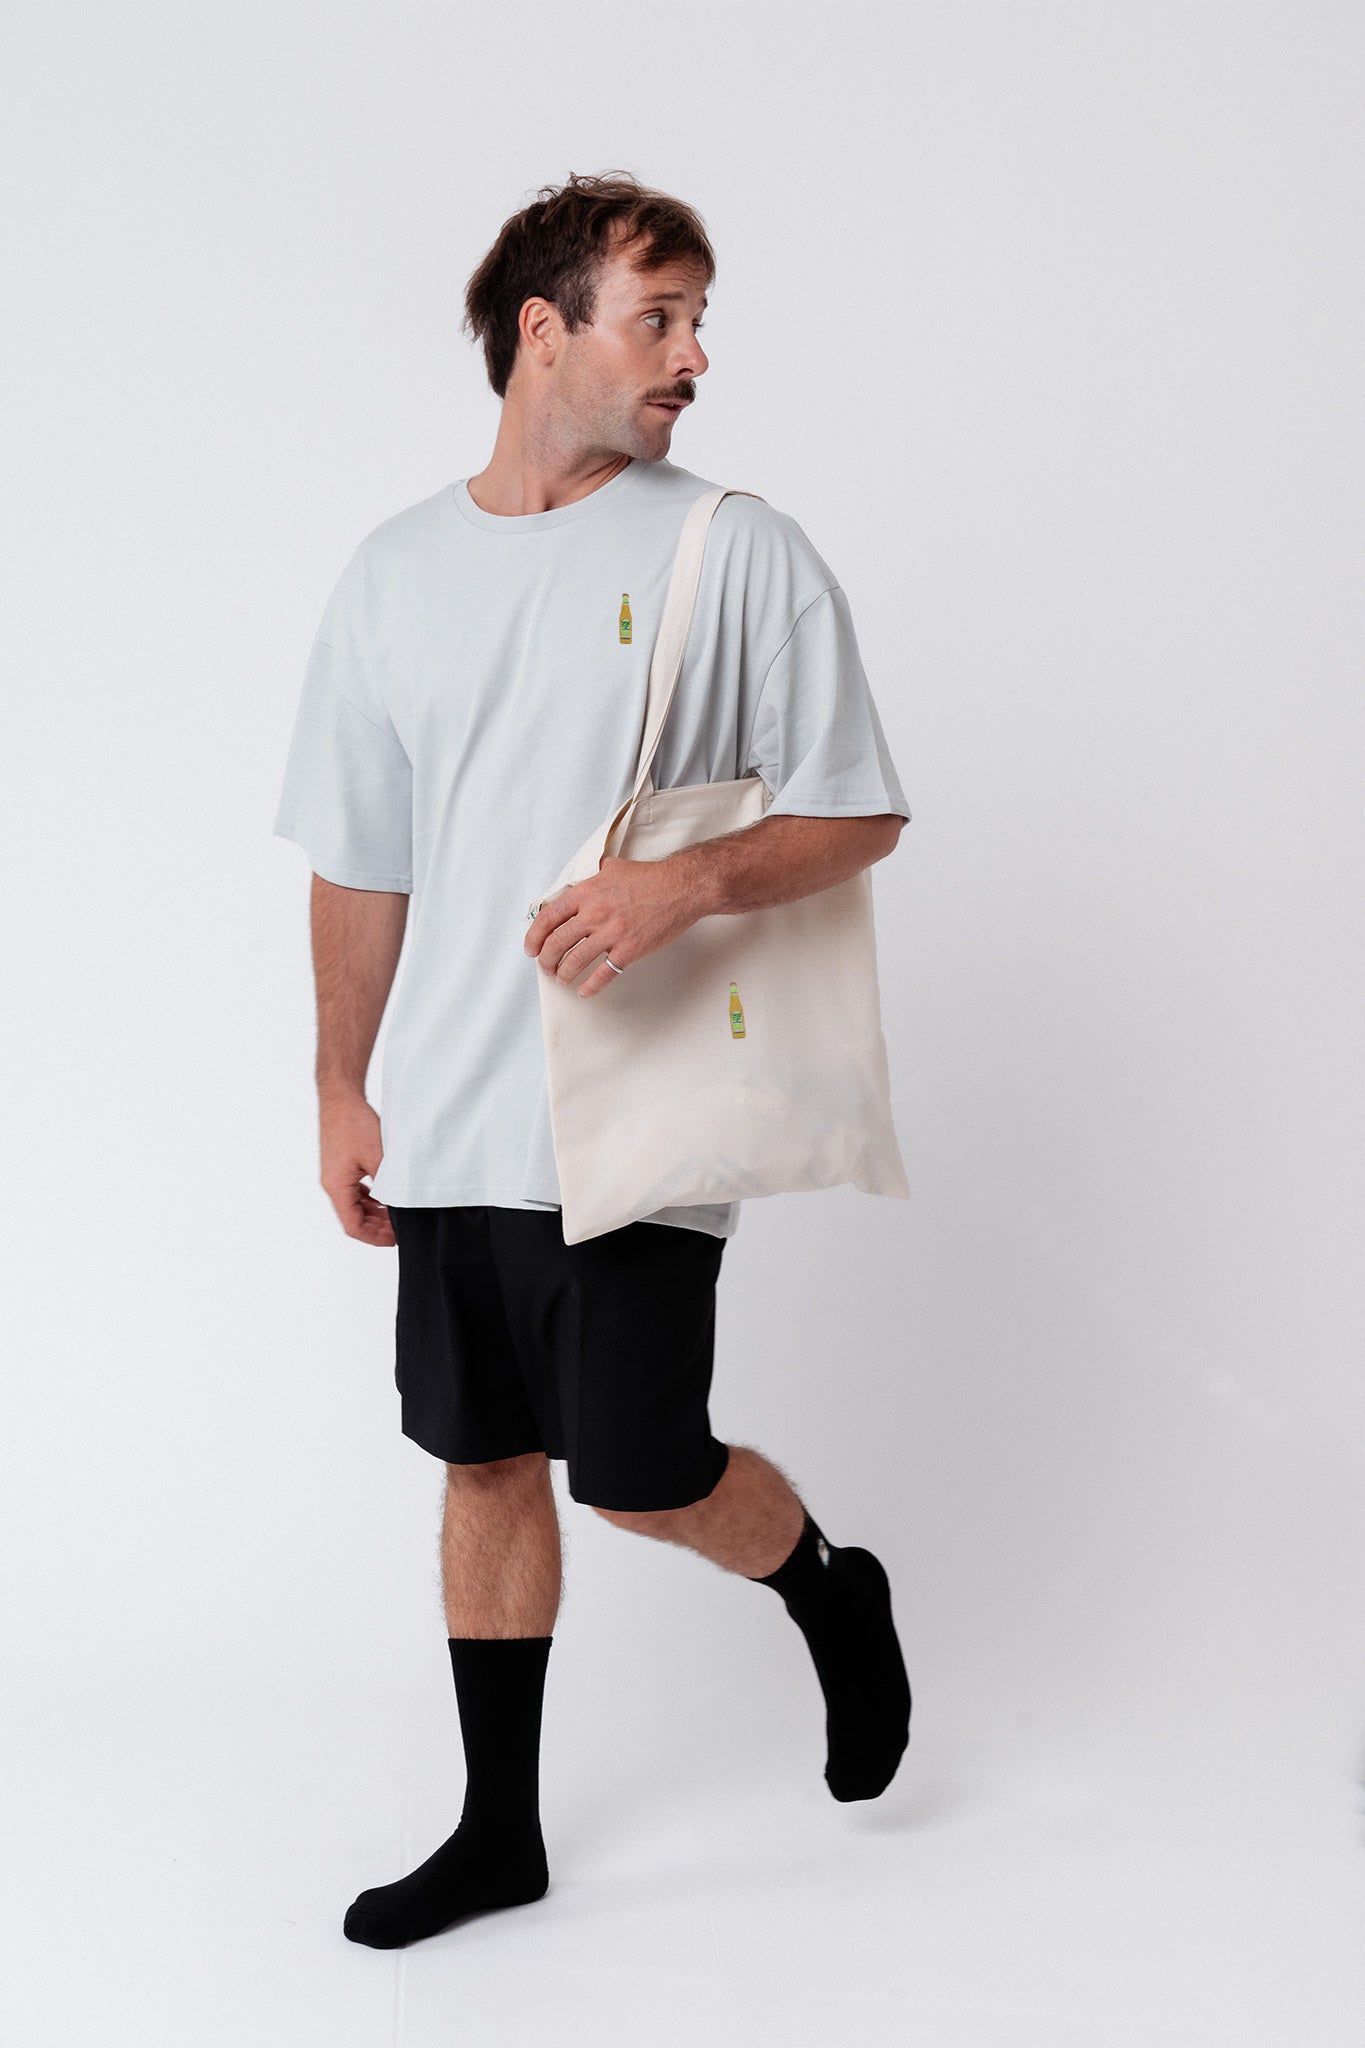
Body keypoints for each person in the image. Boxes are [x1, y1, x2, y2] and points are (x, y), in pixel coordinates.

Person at [272, 170, 914, 1952]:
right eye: (660, 318)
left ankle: (828, 1585)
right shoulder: (394, 571)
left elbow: (859, 809)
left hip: (637, 1113)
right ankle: (499, 1834)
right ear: (542, 332)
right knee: (482, 1461)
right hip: (452, 1116)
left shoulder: (736, 550)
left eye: (699, 321)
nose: (694, 357)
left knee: (635, 1471)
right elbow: (360, 856)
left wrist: (680, 884)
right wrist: (338, 1085)